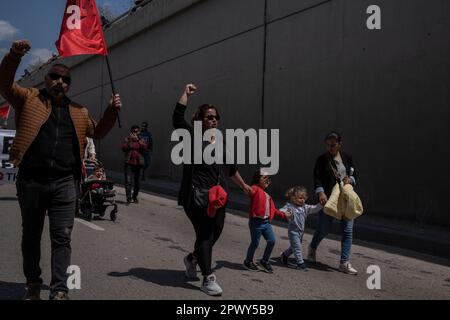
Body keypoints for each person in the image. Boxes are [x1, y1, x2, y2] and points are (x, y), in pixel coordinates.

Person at [0, 40, 121, 300]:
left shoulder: (79, 111)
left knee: (62, 237)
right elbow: (5, 85)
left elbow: (98, 131)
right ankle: (33, 283)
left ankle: (59, 291)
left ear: (69, 85)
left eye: (65, 80)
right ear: (46, 79)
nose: (60, 82)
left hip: (65, 183)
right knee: (31, 237)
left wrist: (111, 111)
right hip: (32, 181)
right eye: (55, 77)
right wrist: (14, 56)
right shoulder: (28, 98)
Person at [172, 83, 252, 296]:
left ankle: (192, 259)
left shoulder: (220, 141)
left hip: (219, 197)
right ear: (199, 119)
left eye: (216, 116)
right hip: (197, 196)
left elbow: (230, 168)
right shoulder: (192, 138)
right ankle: (208, 279)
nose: (214, 120)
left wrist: (244, 186)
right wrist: (185, 95)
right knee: (205, 234)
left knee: (215, 232)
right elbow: (177, 119)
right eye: (209, 117)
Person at [308, 131, 358, 275]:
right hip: (329, 199)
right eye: (328, 145)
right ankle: (312, 248)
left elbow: (354, 174)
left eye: (333, 145)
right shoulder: (322, 159)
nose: (330, 147)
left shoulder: (347, 158)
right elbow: (316, 177)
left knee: (347, 231)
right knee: (323, 229)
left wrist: (351, 180)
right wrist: (320, 192)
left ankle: (344, 262)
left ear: (339, 144)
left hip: (346, 200)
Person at [243, 170, 289, 274]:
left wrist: (284, 214)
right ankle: (248, 261)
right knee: (255, 243)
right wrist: (245, 187)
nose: (267, 179)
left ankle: (264, 261)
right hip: (256, 222)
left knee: (272, 241)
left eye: (268, 178)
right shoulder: (255, 189)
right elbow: (250, 191)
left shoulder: (268, 196)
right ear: (257, 180)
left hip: (266, 223)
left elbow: (274, 210)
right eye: (264, 178)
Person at [279, 186, 322, 270]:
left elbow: (314, 209)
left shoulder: (304, 207)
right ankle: (300, 263)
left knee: (293, 247)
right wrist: (285, 213)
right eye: (300, 198)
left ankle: (284, 255)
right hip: (293, 232)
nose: (303, 200)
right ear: (293, 198)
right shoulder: (290, 207)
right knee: (297, 247)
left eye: (304, 198)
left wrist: (321, 204)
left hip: (301, 232)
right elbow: (281, 210)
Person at [122, 125, 147, 204]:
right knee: (128, 181)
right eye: (133, 132)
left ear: (139, 132)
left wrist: (138, 140)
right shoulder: (127, 139)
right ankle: (128, 198)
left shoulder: (142, 139)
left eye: (136, 132)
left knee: (137, 182)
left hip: (138, 164)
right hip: (129, 163)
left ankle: (134, 196)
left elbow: (145, 147)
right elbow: (124, 148)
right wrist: (130, 140)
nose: (135, 133)